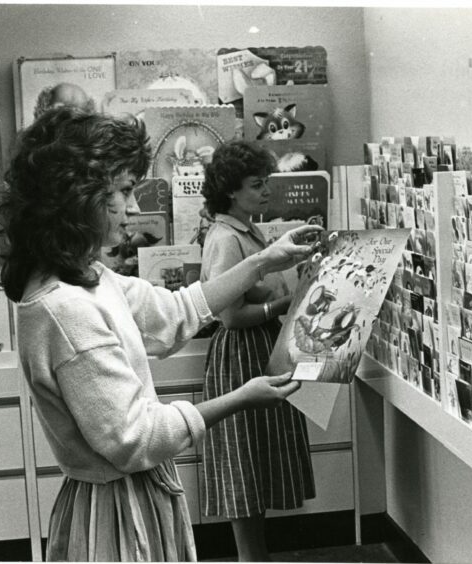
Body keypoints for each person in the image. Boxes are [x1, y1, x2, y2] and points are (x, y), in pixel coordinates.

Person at [0, 108, 321, 562]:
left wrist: (263, 262)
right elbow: (136, 440)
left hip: (129, 499)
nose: (134, 208)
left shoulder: (85, 277)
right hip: (117, 513)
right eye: (125, 191)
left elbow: (174, 312)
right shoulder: (65, 308)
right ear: (78, 196)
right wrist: (241, 398)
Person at [199, 140, 316, 562]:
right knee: (244, 462)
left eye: (266, 181)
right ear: (231, 190)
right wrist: (283, 304)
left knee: (259, 460)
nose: (265, 190)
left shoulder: (248, 229)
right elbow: (230, 316)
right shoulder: (225, 238)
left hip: (261, 346)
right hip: (240, 354)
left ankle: (258, 557)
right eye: (255, 184)